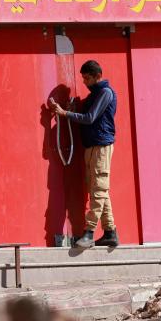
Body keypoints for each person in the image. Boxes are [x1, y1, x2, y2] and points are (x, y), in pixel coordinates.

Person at [49, 60, 119, 248]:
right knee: (99, 189)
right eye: (83, 78)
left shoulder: (105, 93)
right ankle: (110, 231)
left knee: (98, 190)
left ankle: (89, 232)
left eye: (87, 78)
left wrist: (65, 113)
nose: (85, 82)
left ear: (98, 76)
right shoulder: (94, 95)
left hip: (101, 146)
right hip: (92, 147)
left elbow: (89, 118)